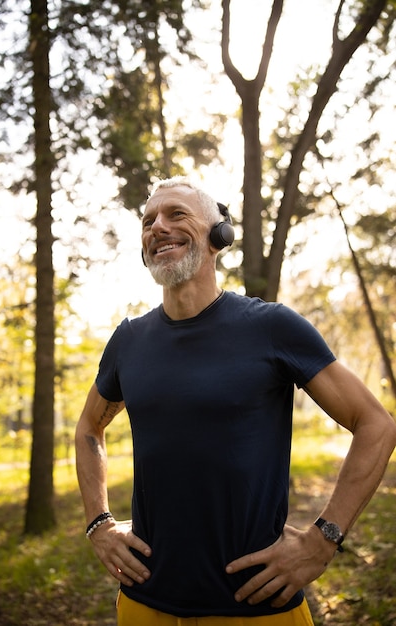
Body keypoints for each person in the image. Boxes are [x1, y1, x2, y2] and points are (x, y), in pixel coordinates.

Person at [75, 176, 396, 626]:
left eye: (176, 214)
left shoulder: (272, 327)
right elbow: (90, 427)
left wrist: (323, 539)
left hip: (258, 607)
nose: (157, 226)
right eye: (148, 221)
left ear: (217, 236)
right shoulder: (128, 341)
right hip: (144, 602)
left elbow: (375, 424)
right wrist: (99, 524)